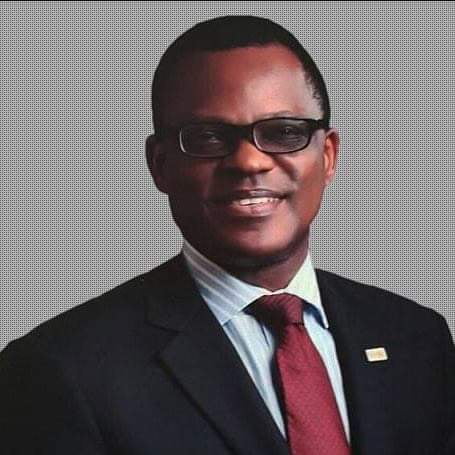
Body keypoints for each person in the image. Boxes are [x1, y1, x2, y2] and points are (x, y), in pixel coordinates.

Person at [1, 15, 454, 455]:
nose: (249, 162)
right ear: (160, 165)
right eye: (208, 138)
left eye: (284, 132)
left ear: (329, 156)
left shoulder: (418, 338)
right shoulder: (61, 371)